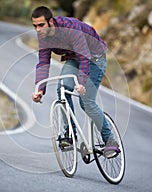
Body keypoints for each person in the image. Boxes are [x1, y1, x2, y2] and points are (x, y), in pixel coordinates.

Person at [31, 6, 118, 150]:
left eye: (41, 25)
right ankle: (69, 134)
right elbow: (43, 63)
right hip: (73, 58)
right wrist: (40, 89)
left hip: (94, 58)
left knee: (86, 102)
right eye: (35, 26)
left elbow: (84, 56)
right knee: (63, 89)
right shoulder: (43, 37)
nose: (38, 30)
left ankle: (110, 141)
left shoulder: (71, 28)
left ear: (51, 22)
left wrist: (82, 83)